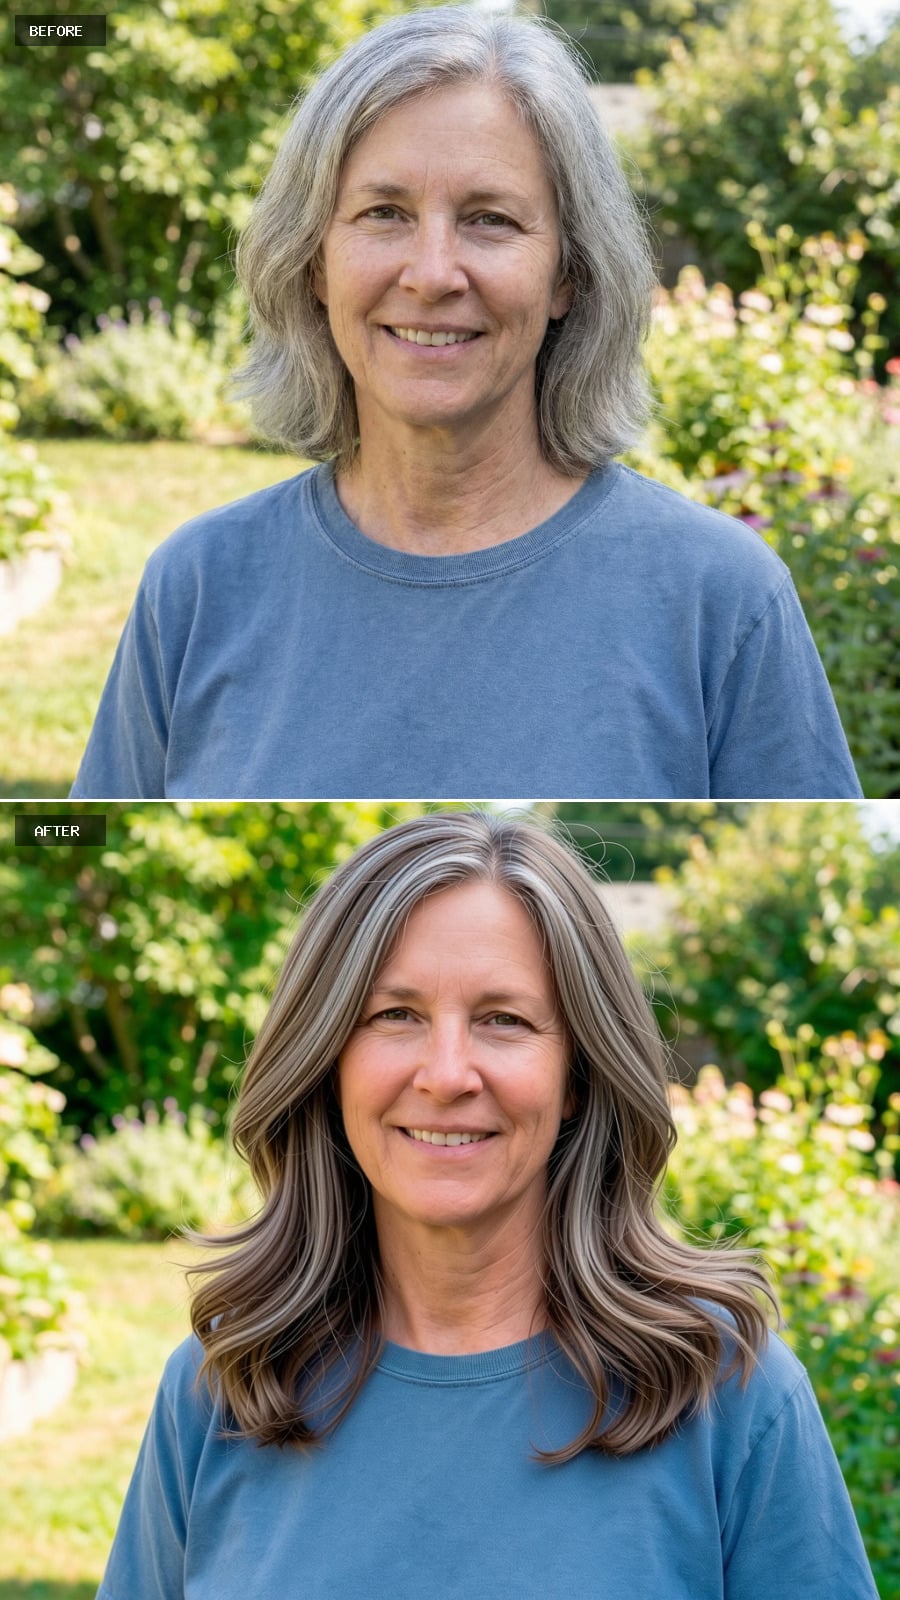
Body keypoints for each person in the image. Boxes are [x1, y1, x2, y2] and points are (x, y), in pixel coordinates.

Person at [70, 7, 861, 801]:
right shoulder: (199, 585)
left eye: (491, 219)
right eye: (385, 213)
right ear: (313, 261)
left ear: (568, 275)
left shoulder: (720, 601)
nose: (433, 272)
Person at [98, 812, 878, 1599]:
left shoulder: (729, 1398)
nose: (446, 1074)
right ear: (326, 1060)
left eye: (503, 1019)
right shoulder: (219, 1387)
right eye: (393, 1015)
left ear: (579, 1076)